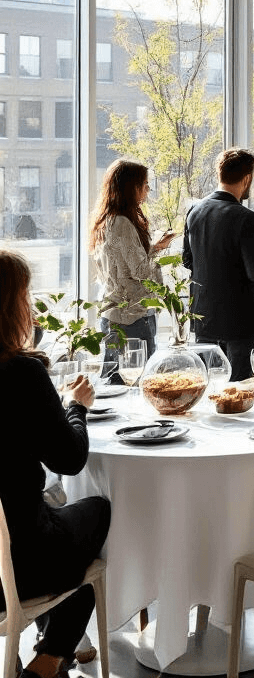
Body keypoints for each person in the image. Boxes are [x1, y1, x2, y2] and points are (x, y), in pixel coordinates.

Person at [0, 249, 110, 678]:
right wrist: (75, 407)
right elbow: (70, 458)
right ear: (14, 305)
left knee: (75, 586)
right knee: (98, 509)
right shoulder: (22, 374)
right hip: (23, 564)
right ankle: (47, 664)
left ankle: (53, 652)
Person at [182, 148, 254, 381]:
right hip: (242, 323)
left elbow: (188, 260)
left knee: (210, 389)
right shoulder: (247, 218)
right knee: (242, 390)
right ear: (247, 178)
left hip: (204, 319)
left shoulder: (194, 211)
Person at [90, 159, 175, 360]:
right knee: (132, 381)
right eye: (145, 185)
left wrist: (155, 248)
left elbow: (126, 265)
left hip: (121, 315)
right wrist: (158, 258)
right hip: (130, 318)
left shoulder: (109, 220)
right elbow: (140, 271)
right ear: (132, 187)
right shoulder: (122, 223)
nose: (147, 190)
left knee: (119, 379)